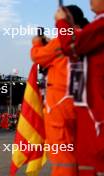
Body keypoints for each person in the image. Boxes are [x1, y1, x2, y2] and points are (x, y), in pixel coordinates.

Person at [31, 5, 89, 176]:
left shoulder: (62, 40)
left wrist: (37, 43)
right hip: (83, 103)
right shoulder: (88, 37)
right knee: (81, 154)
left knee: (62, 155)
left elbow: (38, 56)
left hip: (59, 105)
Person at [55, 1, 104, 175]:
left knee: (90, 155)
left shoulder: (100, 25)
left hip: (92, 103)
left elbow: (72, 47)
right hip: (87, 100)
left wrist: (61, 23)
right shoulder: (94, 26)